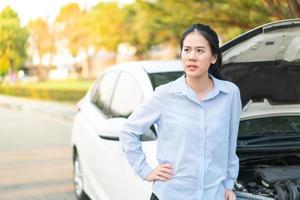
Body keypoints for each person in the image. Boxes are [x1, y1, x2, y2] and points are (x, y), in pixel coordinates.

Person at [120, 24, 242, 200]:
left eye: (200, 51)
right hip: (171, 194)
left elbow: (231, 145)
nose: (192, 57)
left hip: (214, 195)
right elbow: (128, 131)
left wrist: (229, 185)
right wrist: (145, 171)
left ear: (213, 57)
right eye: (187, 50)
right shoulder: (164, 94)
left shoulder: (230, 94)